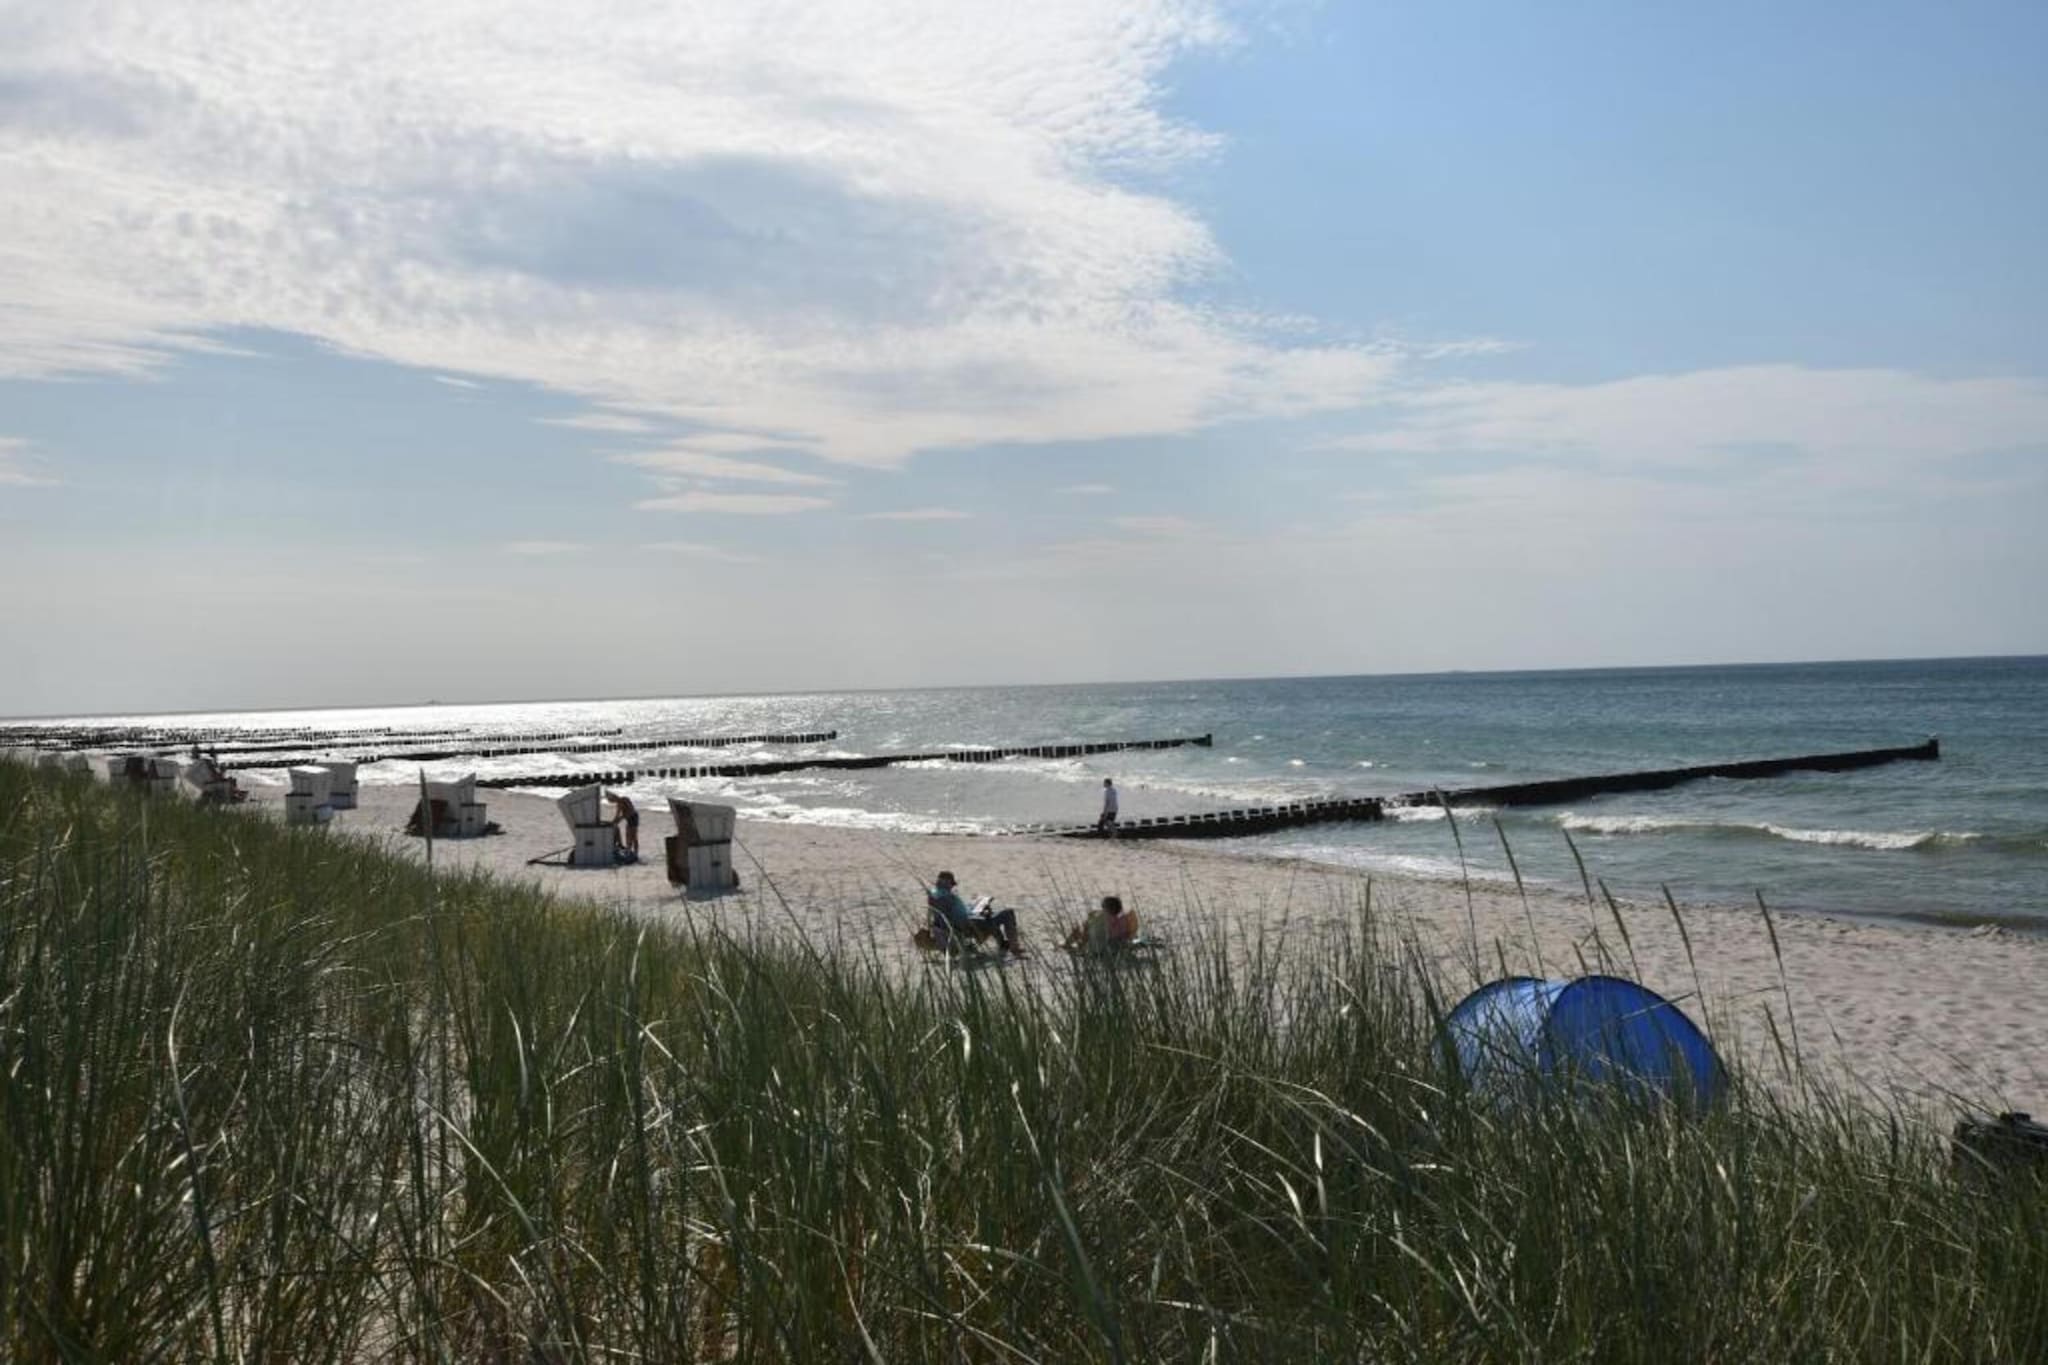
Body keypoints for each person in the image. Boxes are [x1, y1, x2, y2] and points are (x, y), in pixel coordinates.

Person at [927, 870, 1026, 957]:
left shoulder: (934, 894)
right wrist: (977, 912)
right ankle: (1014, 946)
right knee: (1007, 913)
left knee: (988, 913)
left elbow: (952, 913)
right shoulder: (945, 896)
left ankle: (1002, 944)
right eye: (951, 884)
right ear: (946, 882)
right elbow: (956, 917)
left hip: (965, 921)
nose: (952, 887)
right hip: (968, 925)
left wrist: (973, 908)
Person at [1062, 894, 1136, 952]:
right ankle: (1074, 944)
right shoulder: (1121, 920)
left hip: (1098, 948)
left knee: (1079, 930)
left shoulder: (1100, 918)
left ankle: (1068, 944)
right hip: (1116, 946)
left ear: (1105, 908)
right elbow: (1127, 935)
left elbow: (1088, 932)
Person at [607, 790, 640, 856]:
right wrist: (613, 822)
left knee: (633, 836)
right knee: (627, 835)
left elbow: (631, 811)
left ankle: (636, 853)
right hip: (628, 819)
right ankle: (629, 850)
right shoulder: (618, 805)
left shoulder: (625, 799)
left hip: (633, 817)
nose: (613, 802)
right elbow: (617, 815)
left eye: (612, 800)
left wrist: (621, 818)